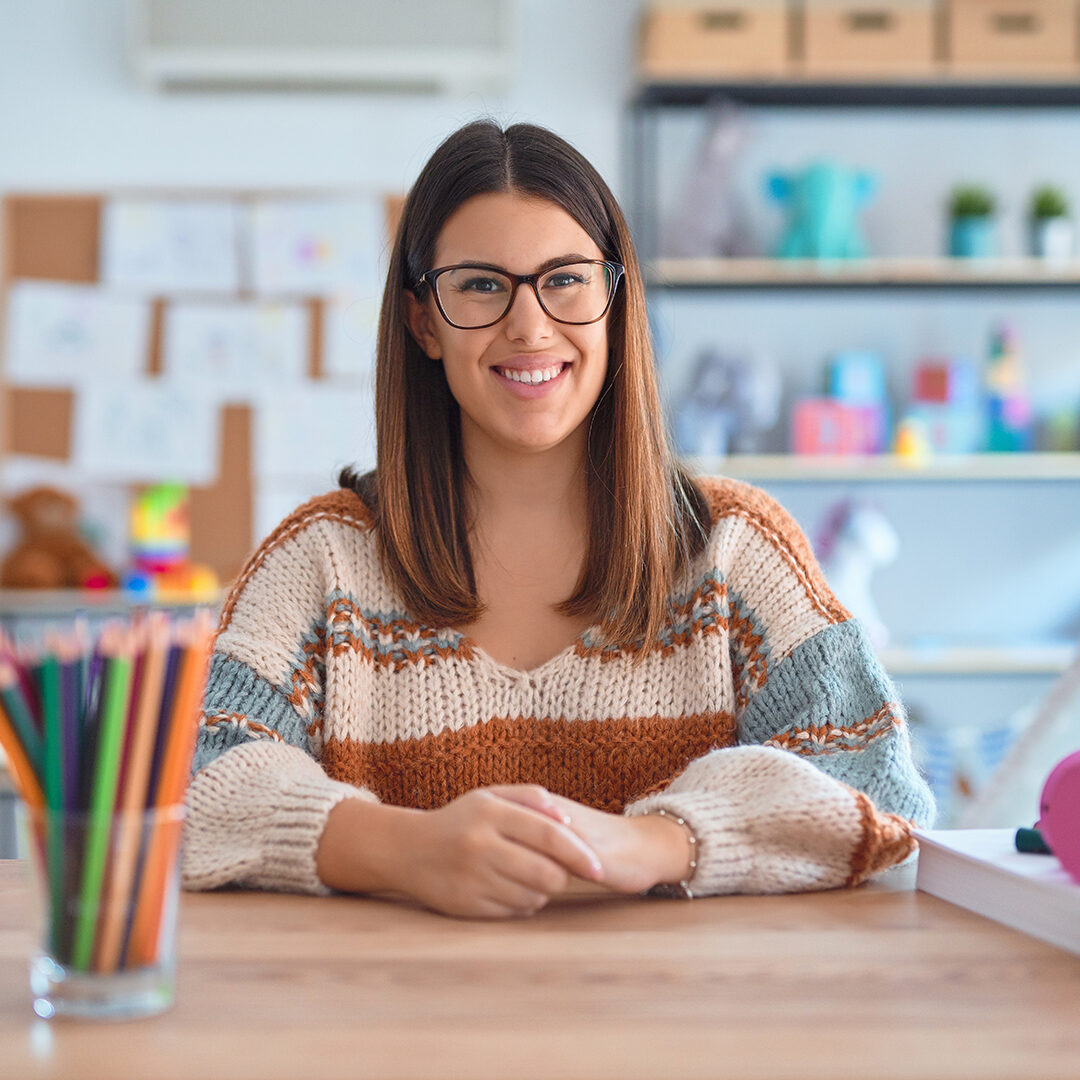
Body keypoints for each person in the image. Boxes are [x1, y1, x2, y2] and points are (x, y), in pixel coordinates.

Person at [182, 119, 934, 919]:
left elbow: (876, 787)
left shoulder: (736, 550)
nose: (530, 325)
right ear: (422, 322)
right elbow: (193, 781)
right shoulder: (321, 560)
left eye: (565, 279)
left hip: (681, 1032)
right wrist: (410, 851)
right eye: (480, 284)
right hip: (398, 1027)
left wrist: (647, 845)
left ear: (616, 302)